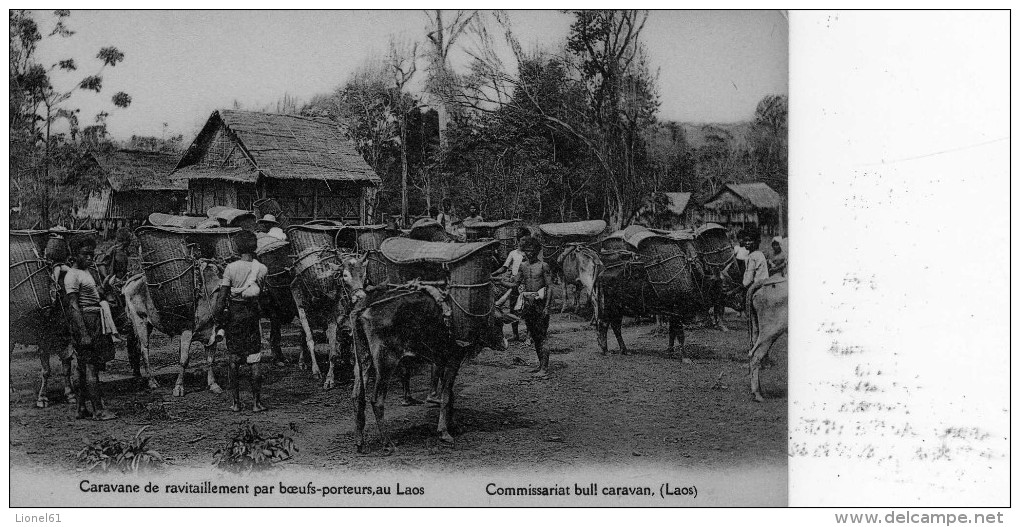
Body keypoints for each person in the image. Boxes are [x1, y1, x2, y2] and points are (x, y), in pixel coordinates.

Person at [65, 235, 117, 421]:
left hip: (95, 319)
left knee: (83, 367)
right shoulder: (72, 275)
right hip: (86, 321)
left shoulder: (87, 272)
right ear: (74, 255)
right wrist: (84, 332)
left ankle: (80, 408)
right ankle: (98, 410)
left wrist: (102, 291)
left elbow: (93, 295)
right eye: (85, 254)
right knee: (90, 367)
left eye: (91, 254)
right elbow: (74, 306)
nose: (89, 257)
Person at [216, 230, 269, 412]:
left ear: (237, 247)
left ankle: (236, 403)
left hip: (234, 316)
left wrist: (218, 318)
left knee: (233, 359)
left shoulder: (231, 268)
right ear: (255, 247)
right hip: (252, 315)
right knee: (254, 360)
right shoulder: (261, 268)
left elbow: (222, 297)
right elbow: (261, 293)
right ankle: (256, 403)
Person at [513, 236, 553, 377]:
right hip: (528, 305)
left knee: (541, 336)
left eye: (532, 250)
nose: (529, 253)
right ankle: (540, 365)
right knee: (535, 336)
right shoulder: (523, 266)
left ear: (537, 251)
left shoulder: (543, 266)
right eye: (527, 250)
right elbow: (515, 283)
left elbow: (549, 287)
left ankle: (544, 369)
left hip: (540, 304)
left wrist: (547, 307)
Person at [492, 227, 532, 341]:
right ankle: (515, 334)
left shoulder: (530, 254)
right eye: (523, 240)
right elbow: (504, 268)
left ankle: (529, 336)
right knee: (514, 309)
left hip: (527, 284)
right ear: (518, 240)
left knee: (528, 309)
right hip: (514, 284)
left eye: (528, 240)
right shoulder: (513, 253)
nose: (526, 242)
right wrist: (492, 274)